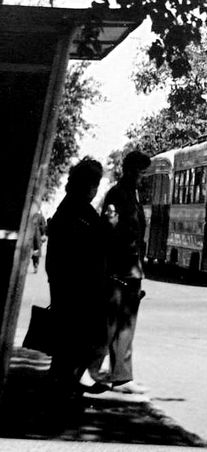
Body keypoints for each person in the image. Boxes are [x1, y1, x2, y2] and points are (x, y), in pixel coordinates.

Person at [46, 158, 109, 400]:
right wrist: (108, 228)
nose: (95, 190)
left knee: (68, 343)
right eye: (95, 184)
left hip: (66, 284)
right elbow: (90, 246)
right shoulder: (79, 210)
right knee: (77, 340)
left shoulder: (70, 207)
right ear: (89, 185)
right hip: (78, 287)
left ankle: (65, 383)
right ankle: (66, 388)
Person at [90, 150, 151, 395]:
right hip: (117, 269)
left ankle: (122, 377)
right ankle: (89, 372)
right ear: (129, 170)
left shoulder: (133, 196)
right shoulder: (117, 194)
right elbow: (108, 231)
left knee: (126, 325)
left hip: (132, 270)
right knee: (108, 325)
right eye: (138, 171)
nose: (141, 177)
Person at [30, 209, 47, 273]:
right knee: (36, 250)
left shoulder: (29, 213)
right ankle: (35, 264)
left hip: (28, 234)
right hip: (36, 235)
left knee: (32, 250)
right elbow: (43, 227)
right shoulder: (40, 216)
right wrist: (43, 234)